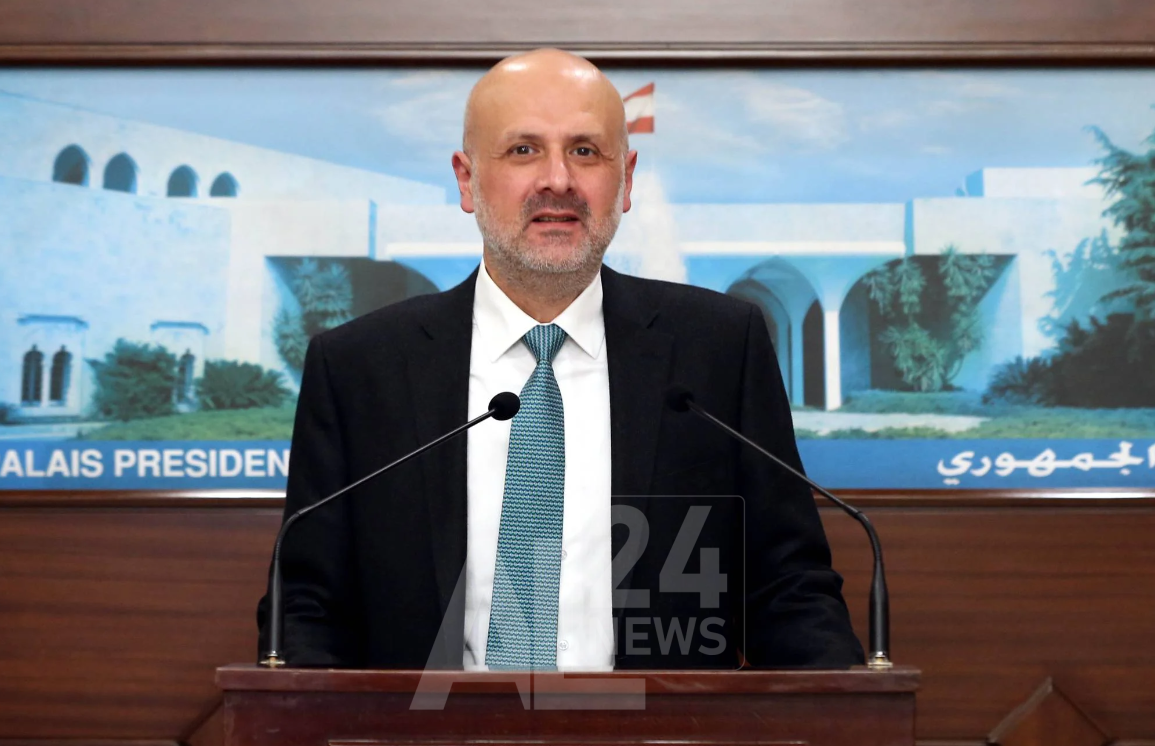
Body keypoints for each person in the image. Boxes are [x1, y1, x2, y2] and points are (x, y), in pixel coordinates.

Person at [257, 49, 863, 670]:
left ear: (625, 180)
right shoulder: (360, 369)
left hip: (658, 722)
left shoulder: (718, 349)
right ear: (466, 180)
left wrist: (847, 705)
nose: (558, 180)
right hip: (429, 721)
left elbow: (788, 588)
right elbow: (306, 607)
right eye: (523, 150)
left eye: (585, 151)